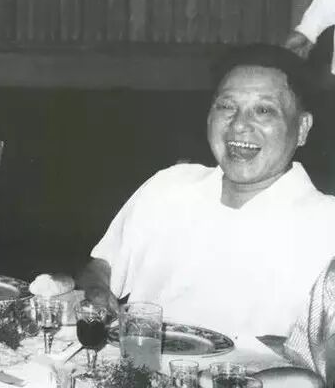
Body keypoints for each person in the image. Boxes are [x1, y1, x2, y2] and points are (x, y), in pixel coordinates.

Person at [77, 44, 335, 338]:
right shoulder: (169, 187)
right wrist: (97, 291)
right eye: (227, 106)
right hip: (139, 362)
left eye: (264, 110)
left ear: (302, 128)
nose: (239, 125)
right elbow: (102, 268)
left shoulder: (326, 223)